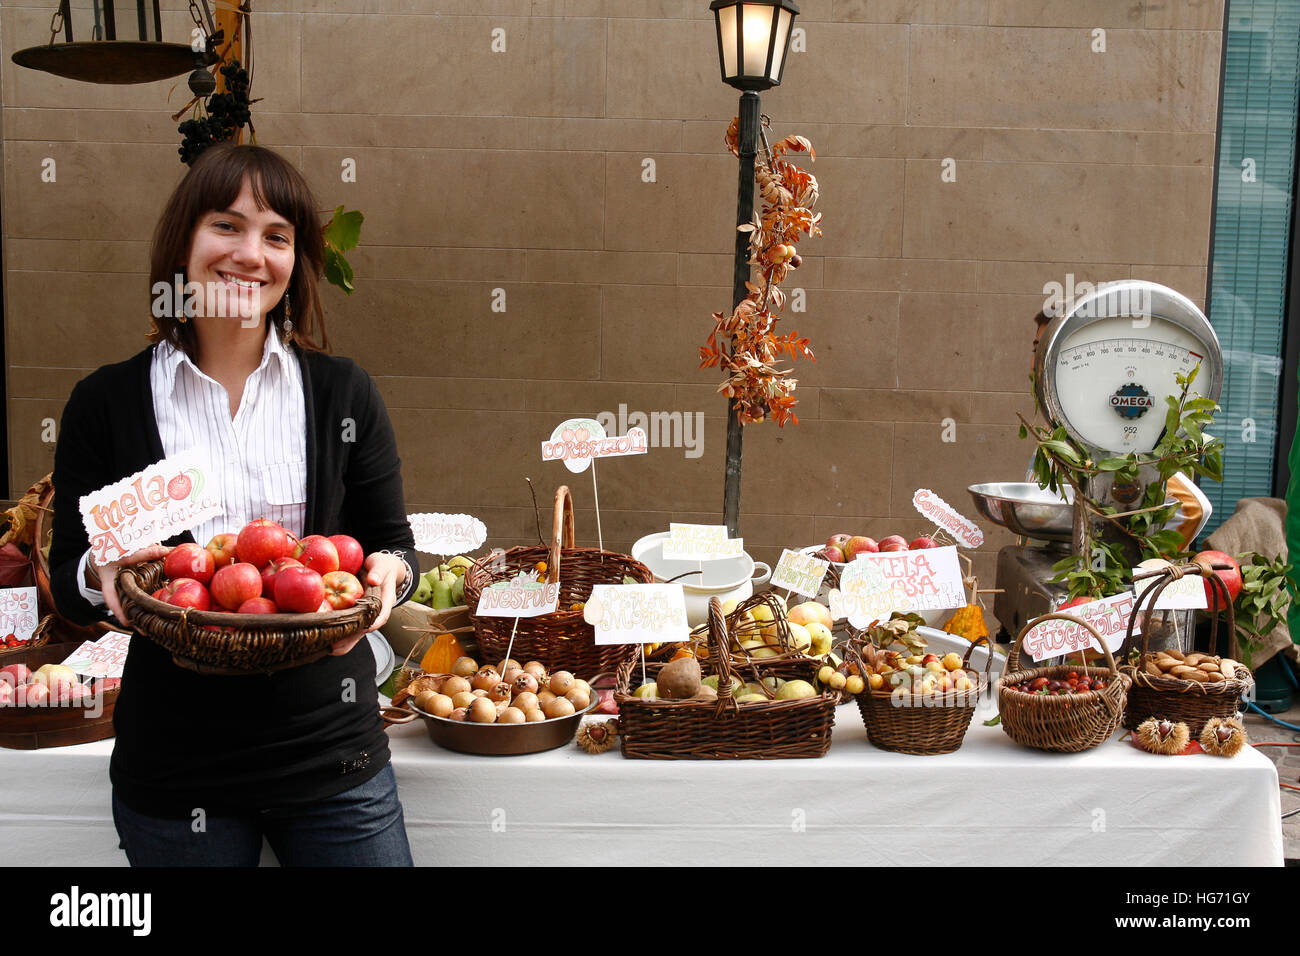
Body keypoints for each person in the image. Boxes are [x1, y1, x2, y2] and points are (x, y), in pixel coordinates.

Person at [48, 143, 419, 866]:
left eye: (277, 236)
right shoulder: (105, 403)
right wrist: (103, 575)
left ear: (294, 262)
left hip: (330, 749)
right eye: (227, 225)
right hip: (175, 755)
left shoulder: (344, 393)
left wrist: (385, 580)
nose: (251, 254)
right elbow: (66, 573)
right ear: (183, 241)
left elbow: (393, 545)